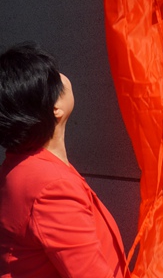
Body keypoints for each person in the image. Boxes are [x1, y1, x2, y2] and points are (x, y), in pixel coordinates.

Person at [0, 42, 129, 277]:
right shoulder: (51, 187)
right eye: (54, 76)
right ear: (55, 109)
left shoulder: (22, 165)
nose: (62, 76)